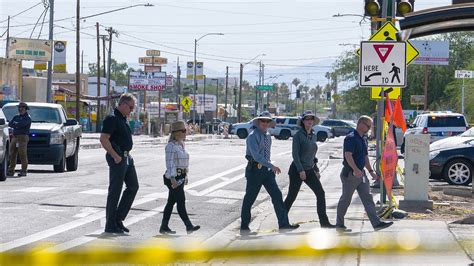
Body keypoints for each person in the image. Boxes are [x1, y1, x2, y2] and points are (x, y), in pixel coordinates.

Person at [241, 111, 299, 235]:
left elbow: (266, 154)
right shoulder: (252, 136)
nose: (265, 123)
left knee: (277, 196)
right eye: (263, 121)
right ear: (258, 122)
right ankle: (244, 227)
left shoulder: (267, 135)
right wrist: (272, 166)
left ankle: (284, 224)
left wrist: (269, 167)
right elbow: (256, 156)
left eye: (267, 121)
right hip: (255, 170)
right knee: (250, 199)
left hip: (266, 171)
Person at [336, 115, 393, 232]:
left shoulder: (363, 139)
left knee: (368, 198)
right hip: (350, 174)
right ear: (361, 124)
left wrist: (371, 171)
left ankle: (376, 223)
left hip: (361, 175)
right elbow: (348, 155)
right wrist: (355, 169)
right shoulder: (351, 138)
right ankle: (339, 225)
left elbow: (365, 157)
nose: (369, 128)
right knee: (346, 200)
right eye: (368, 125)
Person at [284, 110, 335, 228]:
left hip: (310, 169)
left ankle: (324, 222)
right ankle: (283, 221)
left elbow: (313, 155)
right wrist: (301, 170)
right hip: (297, 170)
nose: (309, 121)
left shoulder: (313, 135)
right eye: (307, 119)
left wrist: (316, 169)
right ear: (303, 122)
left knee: (320, 193)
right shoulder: (298, 136)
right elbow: (295, 155)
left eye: (311, 119)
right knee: (292, 195)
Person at [100, 93, 139, 234]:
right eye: (130, 107)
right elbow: (104, 138)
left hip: (127, 157)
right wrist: (115, 156)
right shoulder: (112, 118)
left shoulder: (123, 118)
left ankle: (118, 219)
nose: (132, 110)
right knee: (115, 191)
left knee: (133, 186)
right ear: (122, 104)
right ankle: (110, 224)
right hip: (118, 157)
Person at [160, 120, 200, 234]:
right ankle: (188, 226)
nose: (185, 132)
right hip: (173, 178)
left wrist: (185, 175)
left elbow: (183, 163)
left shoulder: (181, 144)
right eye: (183, 131)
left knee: (171, 202)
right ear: (176, 133)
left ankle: (164, 226)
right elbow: (170, 163)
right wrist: (172, 179)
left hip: (181, 177)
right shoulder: (170, 146)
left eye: (185, 130)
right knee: (180, 201)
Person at [8, 102, 32, 177]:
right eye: (19, 107)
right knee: (12, 153)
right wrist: (16, 124)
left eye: (22, 107)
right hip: (15, 136)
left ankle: (24, 170)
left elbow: (21, 125)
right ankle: (11, 170)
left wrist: (16, 124)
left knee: (22, 154)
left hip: (23, 137)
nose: (20, 109)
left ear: (25, 109)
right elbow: (10, 124)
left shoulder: (28, 118)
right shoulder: (16, 117)